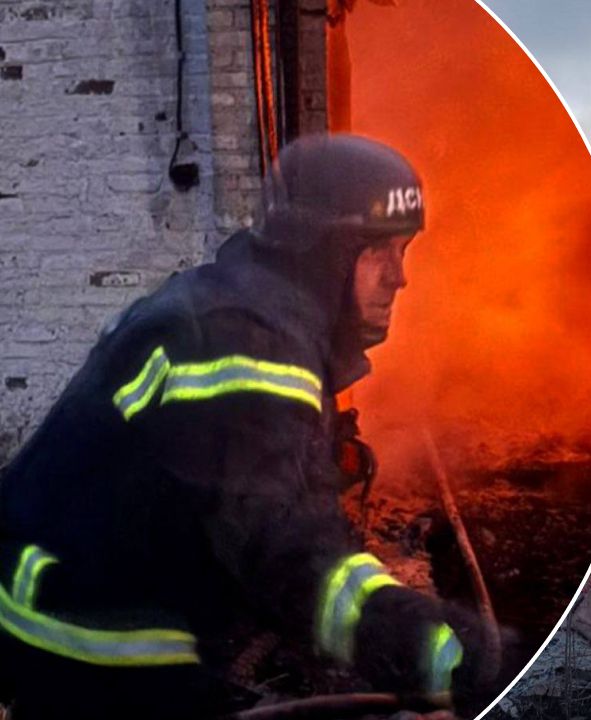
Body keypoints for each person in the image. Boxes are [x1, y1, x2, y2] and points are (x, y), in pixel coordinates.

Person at [0, 134, 484, 718]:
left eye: (403, 251)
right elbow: (284, 552)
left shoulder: (239, 309)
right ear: (325, 253)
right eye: (379, 251)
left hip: (83, 593)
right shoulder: (248, 343)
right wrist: (437, 649)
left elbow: (230, 480)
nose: (398, 277)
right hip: (86, 627)